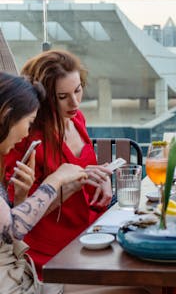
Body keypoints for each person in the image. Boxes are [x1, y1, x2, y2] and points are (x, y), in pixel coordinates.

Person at [0, 71, 159, 294]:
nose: (26, 133)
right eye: (29, 122)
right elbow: (12, 229)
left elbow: (10, 234)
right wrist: (53, 182)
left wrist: (23, 195)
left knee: (149, 282)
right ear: (7, 116)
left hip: (26, 279)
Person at [4, 50, 113, 278]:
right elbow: (18, 216)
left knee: (157, 264)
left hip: (89, 228)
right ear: (44, 97)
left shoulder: (76, 118)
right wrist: (65, 185)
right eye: (62, 97)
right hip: (49, 247)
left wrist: (101, 179)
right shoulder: (24, 138)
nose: (74, 103)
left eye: (78, 90)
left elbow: (81, 170)